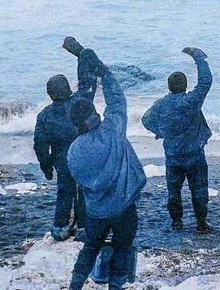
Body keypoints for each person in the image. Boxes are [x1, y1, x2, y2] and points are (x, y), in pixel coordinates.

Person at [66, 44, 146, 290]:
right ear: (95, 115)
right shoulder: (112, 130)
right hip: (123, 206)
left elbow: (80, 181)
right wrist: (105, 74)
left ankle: (75, 285)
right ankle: (116, 287)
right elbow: (117, 102)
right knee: (122, 248)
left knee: (90, 248)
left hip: (96, 210)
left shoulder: (74, 150)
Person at [33, 36, 97, 241]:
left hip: (62, 159)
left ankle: (60, 227)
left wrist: (45, 166)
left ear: (50, 94)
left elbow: (40, 145)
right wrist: (79, 52)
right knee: (85, 190)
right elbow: (88, 79)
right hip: (84, 155)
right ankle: (84, 228)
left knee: (64, 192)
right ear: (68, 89)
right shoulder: (80, 101)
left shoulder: (44, 115)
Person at [142, 47, 212, 233]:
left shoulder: (161, 104)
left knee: (174, 192)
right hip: (194, 154)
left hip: (173, 155)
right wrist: (200, 59)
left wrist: (159, 131)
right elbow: (205, 82)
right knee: (199, 191)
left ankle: (177, 223)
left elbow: (145, 120)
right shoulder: (190, 101)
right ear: (185, 86)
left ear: (169, 87)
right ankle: (201, 223)